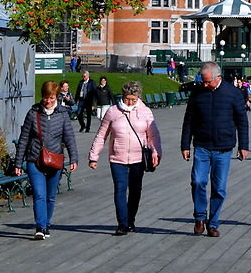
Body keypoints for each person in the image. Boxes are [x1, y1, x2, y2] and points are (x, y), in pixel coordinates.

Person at [180, 61, 250, 237]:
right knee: (198, 181)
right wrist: (185, 144)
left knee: (219, 188)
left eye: (207, 81)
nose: (204, 85)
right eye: (202, 81)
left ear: (218, 77)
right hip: (202, 146)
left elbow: (242, 121)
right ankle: (199, 217)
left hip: (223, 148)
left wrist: (244, 146)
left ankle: (213, 223)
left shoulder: (233, 93)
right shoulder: (197, 93)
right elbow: (189, 120)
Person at [88, 80, 161, 235]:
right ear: (122, 96)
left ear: (138, 98)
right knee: (120, 189)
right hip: (117, 157)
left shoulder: (145, 111)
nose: (130, 102)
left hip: (138, 158)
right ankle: (122, 223)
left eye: (133, 100)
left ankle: (130, 220)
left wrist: (156, 152)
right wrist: (94, 156)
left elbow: (153, 135)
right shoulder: (113, 111)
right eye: (127, 99)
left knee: (135, 190)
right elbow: (101, 135)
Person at [12, 80, 79, 240]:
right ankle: (40, 227)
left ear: (56, 97)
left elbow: (69, 137)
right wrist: (18, 162)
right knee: (39, 195)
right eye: (45, 97)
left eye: (51, 98)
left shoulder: (62, 114)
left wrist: (74, 158)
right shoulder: (33, 113)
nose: (48, 101)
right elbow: (24, 139)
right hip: (35, 159)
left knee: (50, 196)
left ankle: (47, 223)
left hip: (55, 159)